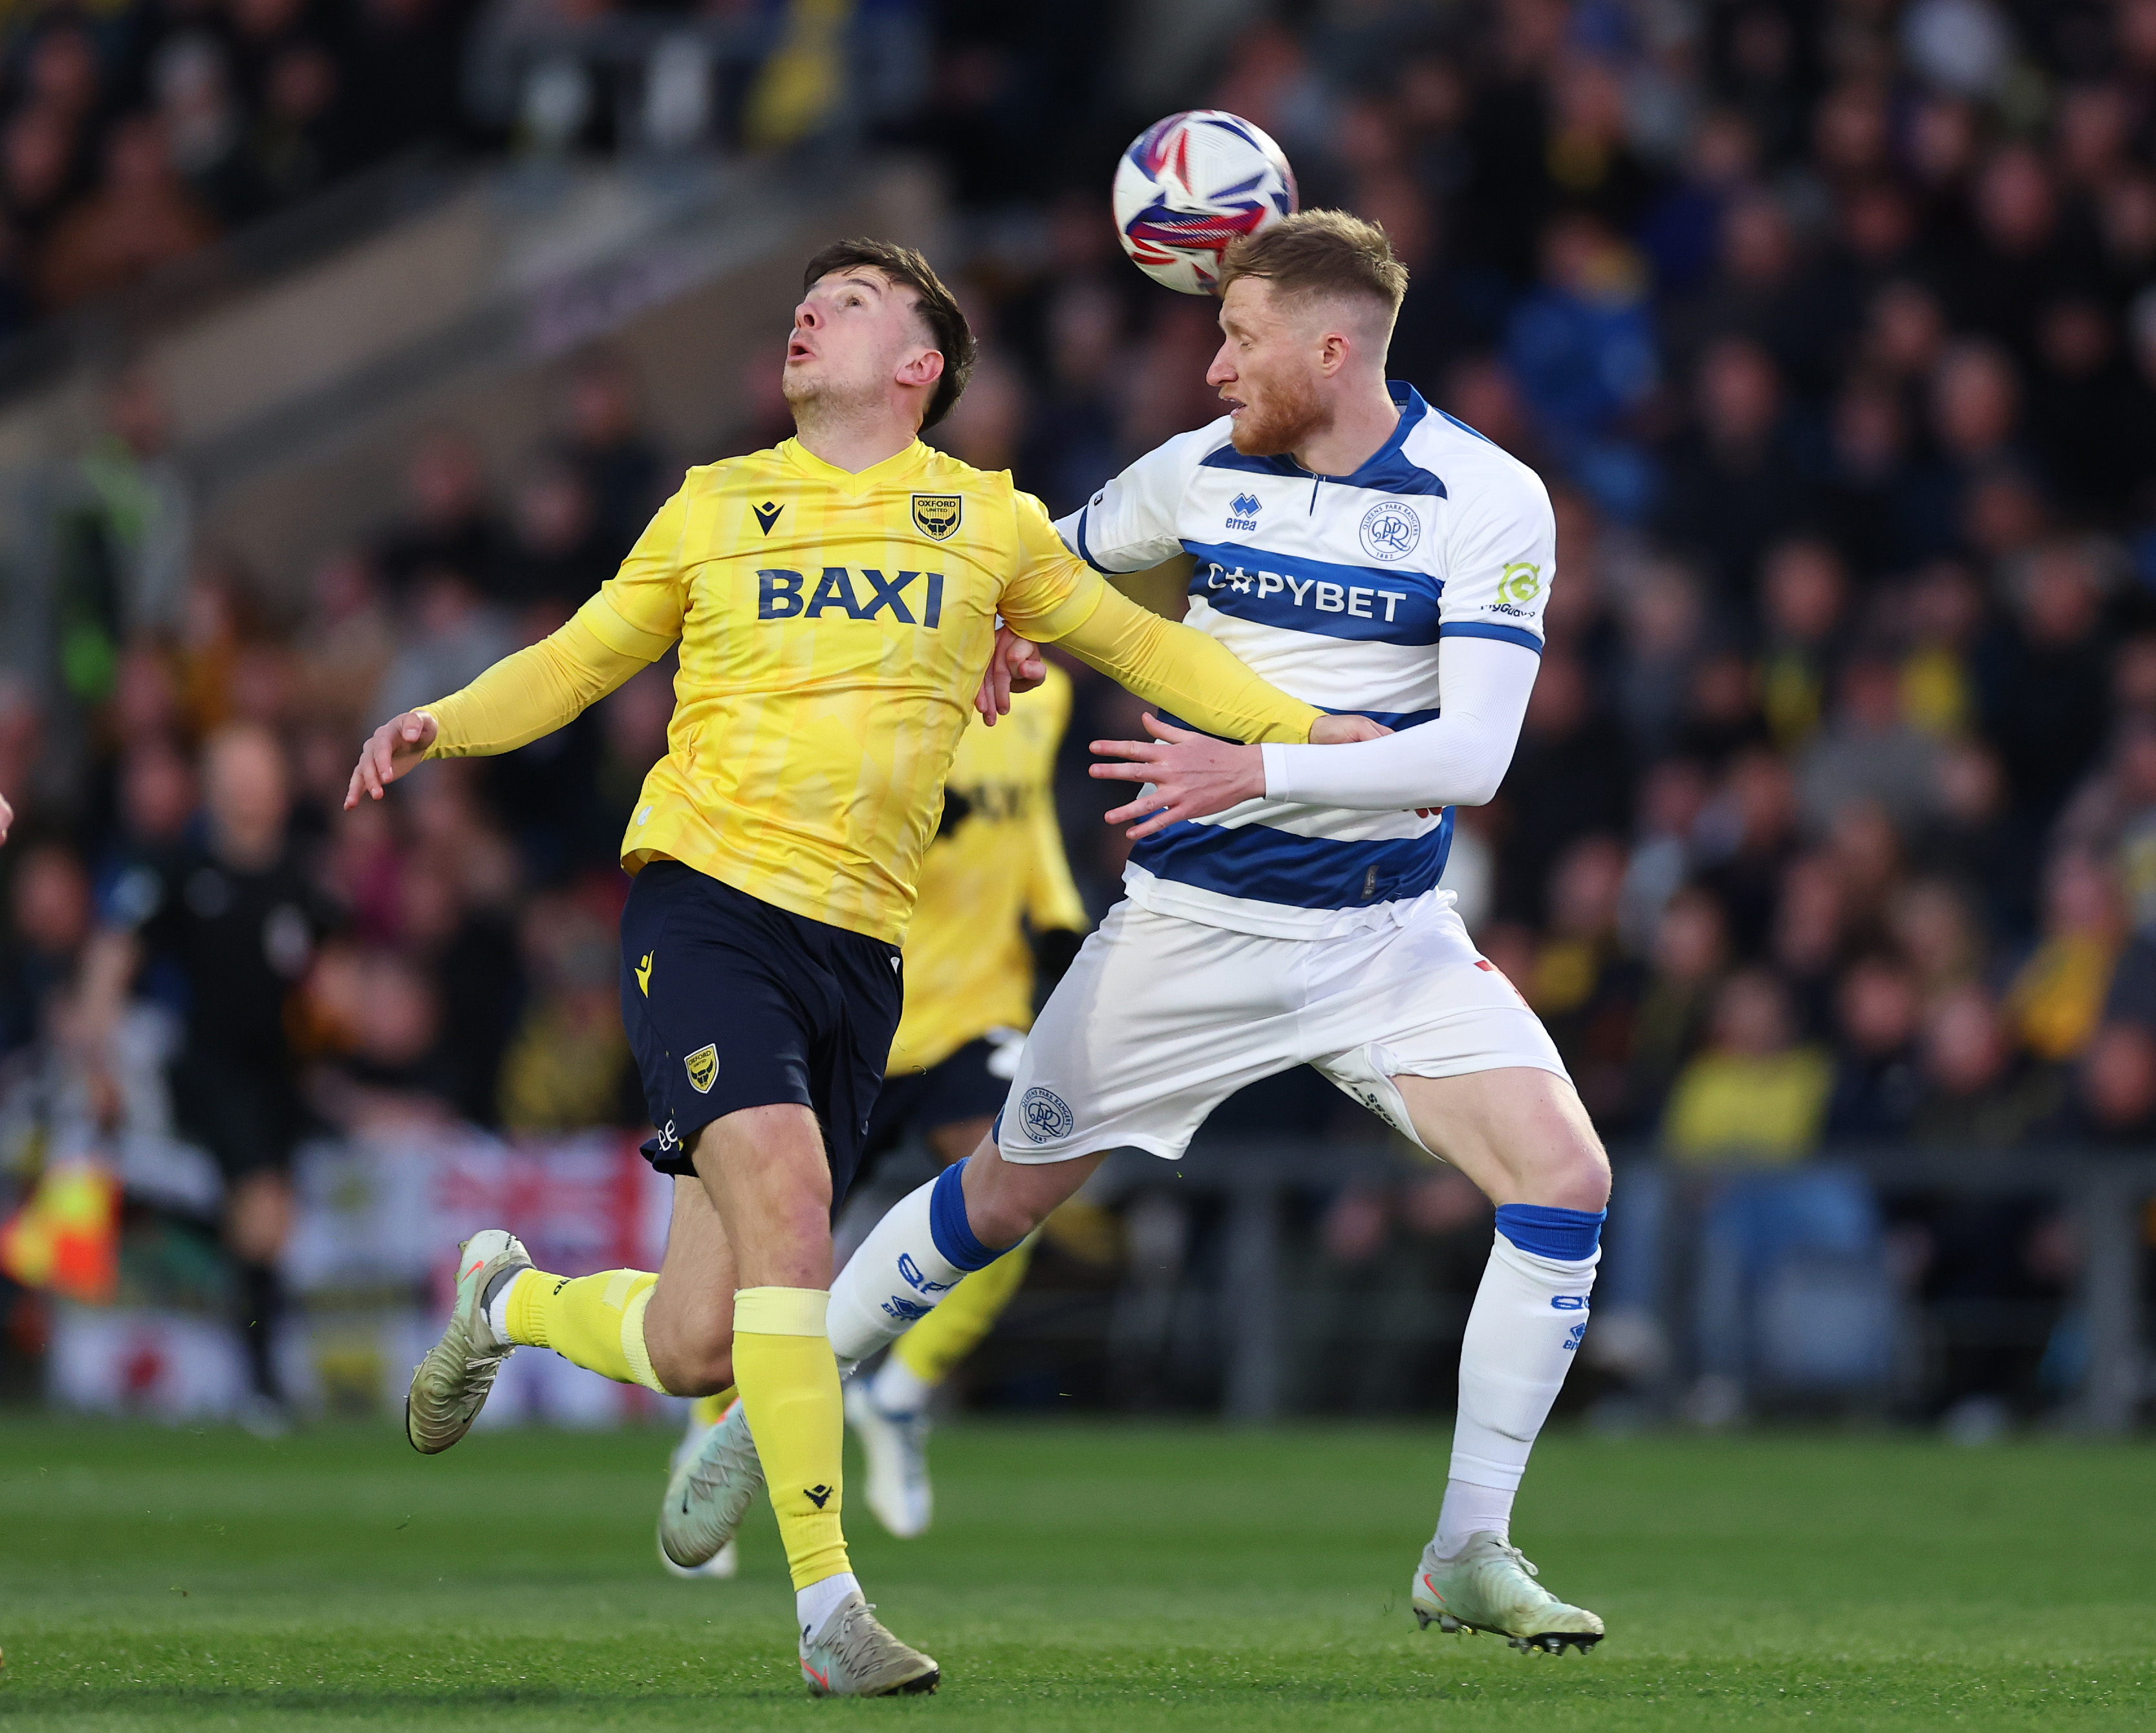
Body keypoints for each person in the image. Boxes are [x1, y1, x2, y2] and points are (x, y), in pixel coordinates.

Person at [347, 239, 1370, 1698]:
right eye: (806, 299)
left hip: (857, 947)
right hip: (707, 902)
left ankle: (503, 1302)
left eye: (849, 301)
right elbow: (573, 664)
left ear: (917, 367)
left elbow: (1150, 652)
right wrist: (438, 720)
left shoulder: (986, 523)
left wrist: (1315, 736)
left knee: (696, 1342)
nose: (807, 311)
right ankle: (830, 1610)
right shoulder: (714, 504)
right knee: (792, 1207)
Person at [766, 211, 1613, 1653]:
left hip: (1381, 934)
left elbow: (1472, 757)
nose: (1213, 368)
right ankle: (771, 1414)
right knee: (1002, 1194)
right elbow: (1041, 565)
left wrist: (1253, 766)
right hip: (1190, 928)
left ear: (1329, 350)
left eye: (1237, 338)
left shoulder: (1484, 495)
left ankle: (1466, 1546)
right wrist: (1006, 628)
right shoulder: (1193, 472)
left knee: (1566, 1175)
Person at [658, 669, 1088, 1571]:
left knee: (1023, 1178)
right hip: (852, 1005)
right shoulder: (884, 672)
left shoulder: (1045, 697)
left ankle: (903, 1392)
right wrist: (910, 816)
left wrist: (1055, 911)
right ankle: (708, 1437)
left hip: (973, 1008)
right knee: (770, 1248)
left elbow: (1027, 812)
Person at [77, 724, 326, 1429]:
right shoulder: (178, 870)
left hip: (285, 1076)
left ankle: (253, 1357)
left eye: (258, 772)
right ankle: (261, 1383)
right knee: (261, 1207)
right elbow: (112, 954)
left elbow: (337, 979)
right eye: (232, 773)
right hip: (210, 1067)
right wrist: (97, 1056)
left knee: (269, 1222)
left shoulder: (304, 880)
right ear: (210, 788)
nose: (246, 788)